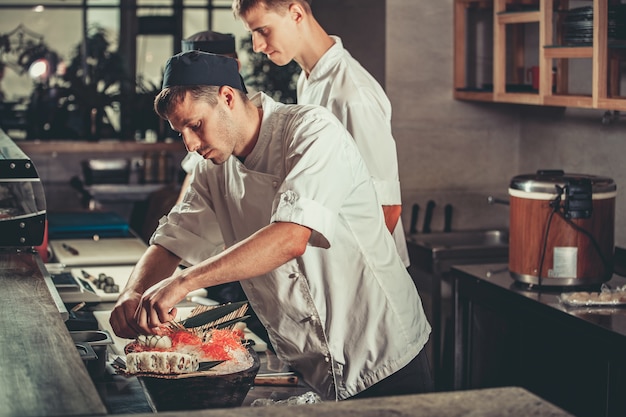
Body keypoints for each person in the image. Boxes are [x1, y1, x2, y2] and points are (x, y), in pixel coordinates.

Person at [109, 51, 432, 400]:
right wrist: (133, 293)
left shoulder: (312, 131)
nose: (189, 143)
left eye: (195, 125)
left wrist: (183, 282)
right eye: (180, 131)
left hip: (384, 356)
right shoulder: (211, 170)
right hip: (312, 368)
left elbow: (291, 237)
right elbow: (173, 238)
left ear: (227, 98)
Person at [232, 0, 410, 267]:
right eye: (252, 33)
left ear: (295, 13)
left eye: (263, 31)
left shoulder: (352, 94)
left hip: (369, 274)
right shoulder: (308, 80)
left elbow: (388, 208)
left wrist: (354, 281)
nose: (257, 46)